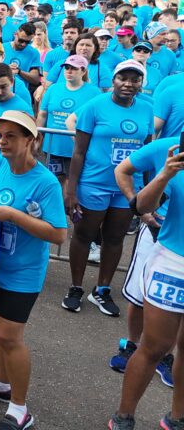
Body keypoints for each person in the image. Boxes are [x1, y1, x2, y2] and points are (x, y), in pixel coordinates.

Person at [0, 110, 67, 430]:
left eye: (11, 136)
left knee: (10, 336)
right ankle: (1, 382)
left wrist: (13, 215)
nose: (3, 141)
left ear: (31, 141)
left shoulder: (46, 182)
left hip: (23, 271)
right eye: (0, 135)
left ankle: (20, 408)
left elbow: (58, 234)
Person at [63, 60, 154, 317]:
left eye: (135, 79)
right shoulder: (94, 106)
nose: (128, 84)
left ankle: (101, 290)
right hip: (94, 183)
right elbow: (78, 152)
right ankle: (76, 287)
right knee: (84, 234)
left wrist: (147, 189)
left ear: (141, 83)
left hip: (127, 188)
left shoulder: (146, 109)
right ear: (113, 80)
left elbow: (146, 154)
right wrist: (71, 191)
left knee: (115, 238)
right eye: (122, 78)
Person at [108, 137, 183, 430]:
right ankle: (124, 415)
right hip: (174, 262)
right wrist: (165, 174)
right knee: (155, 346)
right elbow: (140, 205)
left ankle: (177, 418)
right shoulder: (171, 149)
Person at [36, 54, 101, 181]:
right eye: (66, 68)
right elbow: (42, 114)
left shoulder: (94, 92)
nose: (69, 71)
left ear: (83, 71)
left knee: (75, 182)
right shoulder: (54, 88)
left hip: (78, 148)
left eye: (73, 68)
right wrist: (37, 136)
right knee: (54, 181)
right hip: (53, 147)